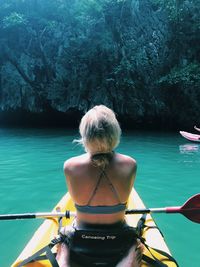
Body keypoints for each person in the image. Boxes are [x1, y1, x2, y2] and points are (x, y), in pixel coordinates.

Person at [56, 105, 143, 267]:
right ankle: (129, 255)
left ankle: (65, 256)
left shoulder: (70, 166)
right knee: (134, 238)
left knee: (65, 232)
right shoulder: (130, 165)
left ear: (85, 135)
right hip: (118, 240)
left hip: (81, 240)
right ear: (115, 133)